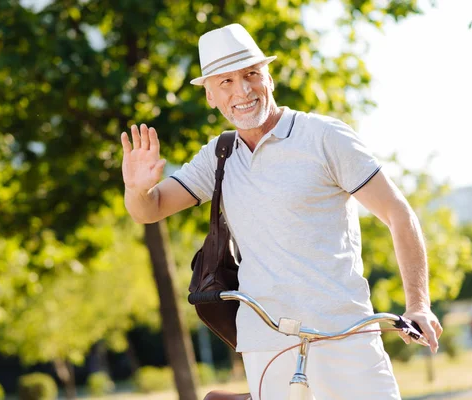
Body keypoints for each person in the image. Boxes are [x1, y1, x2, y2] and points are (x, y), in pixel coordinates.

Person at [121, 23, 443, 399]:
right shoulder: (219, 156)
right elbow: (150, 210)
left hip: (346, 335)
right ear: (209, 95)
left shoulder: (324, 137)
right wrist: (135, 188)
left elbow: (398, 214)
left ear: (268, 77)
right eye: (225, 82)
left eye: (251, 74)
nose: (242, 90)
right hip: (267, 348)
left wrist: (418, 305)